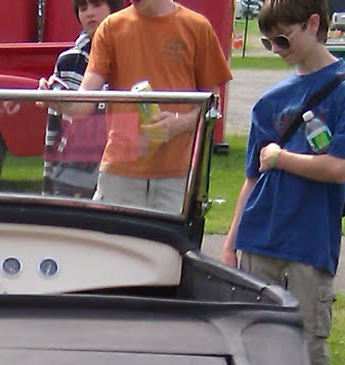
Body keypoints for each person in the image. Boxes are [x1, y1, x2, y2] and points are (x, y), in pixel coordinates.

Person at [220, 0, 345, 365]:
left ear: (314, 24)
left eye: (283, 39)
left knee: (309, 354)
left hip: (309, 243)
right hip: (259, 236)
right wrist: (231, 241)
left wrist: (281, 157)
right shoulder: (271, 100)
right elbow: (251, 178)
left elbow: (339, 168)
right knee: (257, 347)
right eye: (268, 42)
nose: (276, 49)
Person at [74, 0, 232, 212]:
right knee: (112, 234)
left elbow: (213, 105)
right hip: (119, 171)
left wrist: (179, 123)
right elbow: (84, 101)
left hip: (177, 174)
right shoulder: (111, 27)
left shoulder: (197, 26)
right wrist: (54, 99)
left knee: (168, 236)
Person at [41, 0, 123, 197]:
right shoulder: (68, 60)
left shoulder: (131, 55)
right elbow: (55, 126)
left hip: (121, 164)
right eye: (82, 8)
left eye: (96, 5)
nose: (89, 13)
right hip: (74, 165)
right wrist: (49, 177)